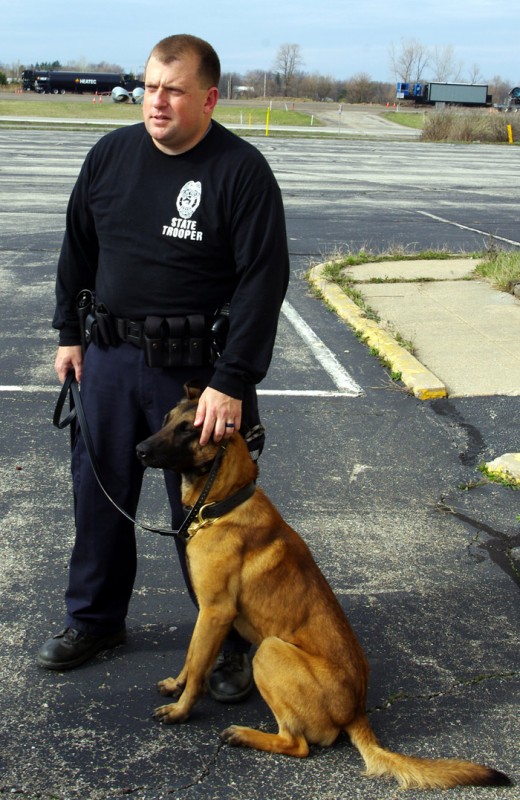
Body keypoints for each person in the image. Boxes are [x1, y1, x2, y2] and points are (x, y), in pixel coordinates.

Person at [37, 33, 290, 703]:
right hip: (110, 362)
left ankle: (234, 644)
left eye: (173, 90)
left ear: (208, 97)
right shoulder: (110, 157)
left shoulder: (240, 171)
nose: (156, 101)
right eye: (150, 86)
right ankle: (94, 621)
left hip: (195, 380)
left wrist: (233, 380)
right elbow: (77, 247)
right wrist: (69, 332)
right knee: (97, 499)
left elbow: (263, 283)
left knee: (209, 521)